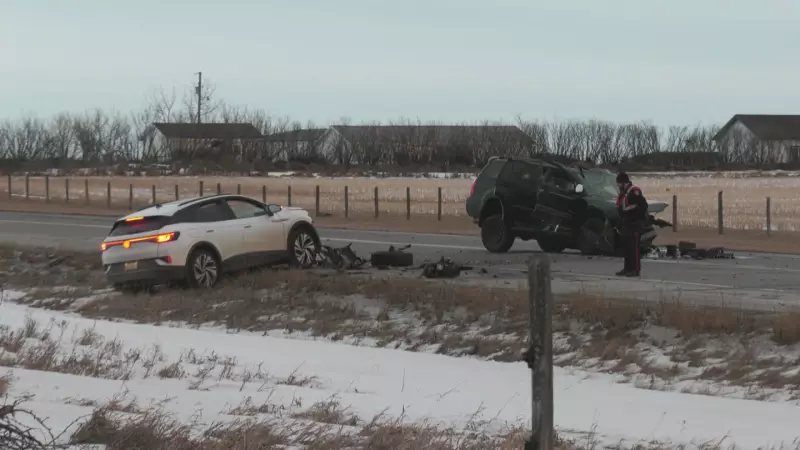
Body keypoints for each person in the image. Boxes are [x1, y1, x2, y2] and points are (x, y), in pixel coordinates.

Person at [615, 172, 648, 277]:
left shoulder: (634, 191)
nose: (618, 186)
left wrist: (635, 219)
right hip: (626, 222)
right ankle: (627, 268)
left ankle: (636, 270)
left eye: (619, 183)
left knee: (634, 248)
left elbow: (642, 206)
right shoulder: (623, 193)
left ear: (623, 182)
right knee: (627, 247)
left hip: (634, 223)